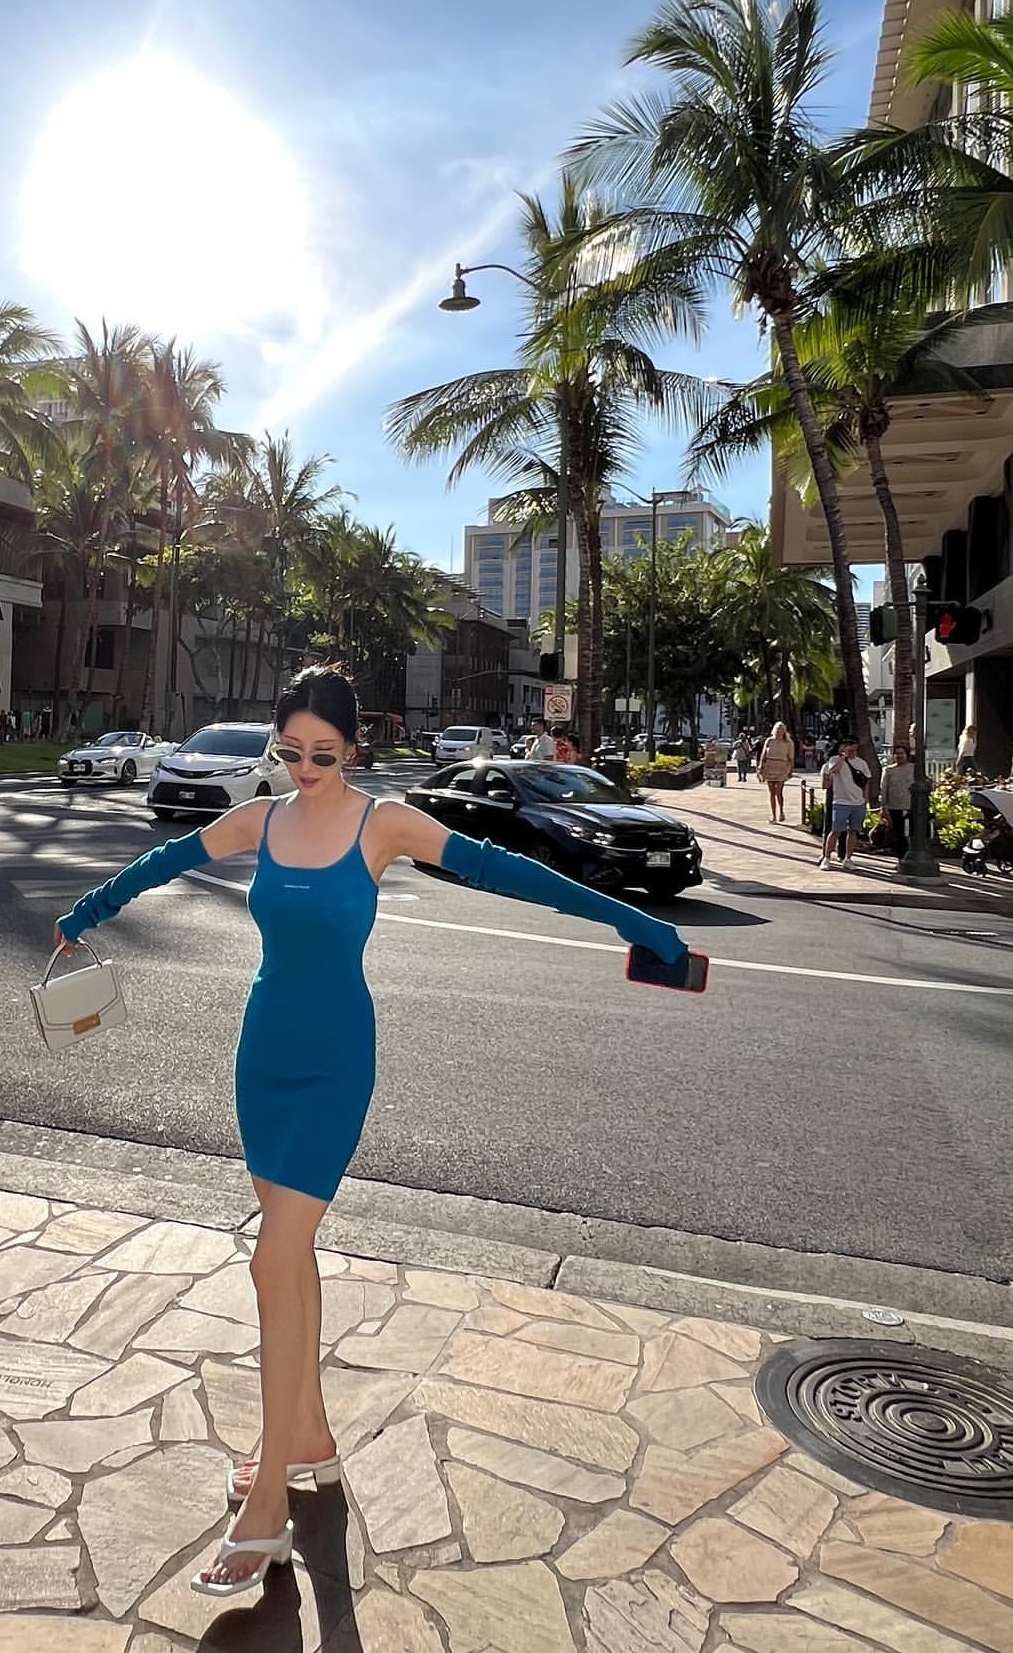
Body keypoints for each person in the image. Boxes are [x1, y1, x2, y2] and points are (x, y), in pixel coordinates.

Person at [52, 664, 690, 1598]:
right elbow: (170, 859)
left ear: (353, 749)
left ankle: (267, 1502)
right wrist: (86, 913)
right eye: (291, 752)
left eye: (324, 753)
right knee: (289, 1259)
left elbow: (507, 870)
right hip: (262, 1056)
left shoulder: (382, 823)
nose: (306, 768)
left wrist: (632, 921)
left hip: (336, 1063)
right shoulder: (263, 820)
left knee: (271, 1260)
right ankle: (309, 1438)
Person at [820, 734, 870, 870]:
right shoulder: (835, 760)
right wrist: (843, 757)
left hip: (857, 802)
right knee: (835, 830)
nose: (851, 748)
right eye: (847, 745)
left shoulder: (862, 763)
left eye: (853, 746)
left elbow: (866, 781)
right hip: (841, 801)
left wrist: (865, 799)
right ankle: (826, 857)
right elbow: (834, 770)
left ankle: (848, 858)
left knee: (853, 831)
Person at [757, 722, 795, 822]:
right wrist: (760, 767)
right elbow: (763, 754)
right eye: (777, 730)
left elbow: (791, 758)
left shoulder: (788, 743)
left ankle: (781, 811)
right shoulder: (769, 741)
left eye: (781, 730)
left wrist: (791, 770)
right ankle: (773, 815)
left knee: (779, 791)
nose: (779, 732)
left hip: (782, 767)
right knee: (772, 792)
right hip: (770, 766)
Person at [881, 742, 913, 858]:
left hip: (911, 807)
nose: (899, 756)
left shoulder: (914, 768)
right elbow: (883, 789)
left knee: (911, 834)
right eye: (896, 753)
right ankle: (901, 858)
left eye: (901, 753)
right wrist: (883, 806)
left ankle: (910, 857)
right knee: (898, 835)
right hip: (894, 807)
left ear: (907, 755)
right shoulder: (888, 770)